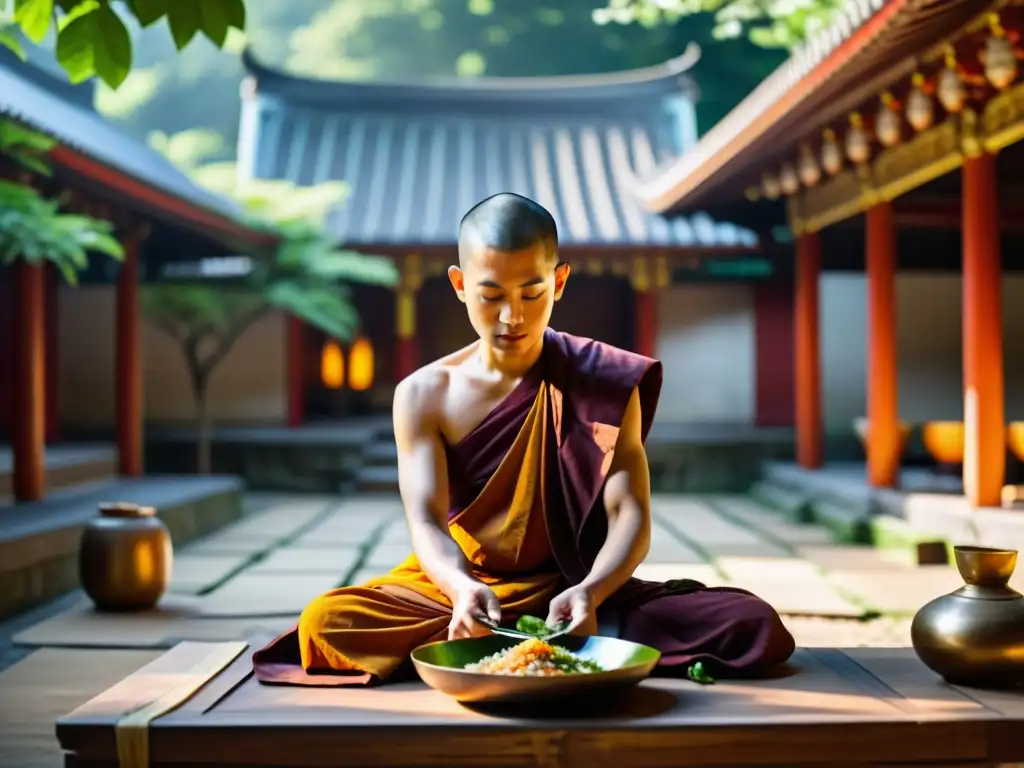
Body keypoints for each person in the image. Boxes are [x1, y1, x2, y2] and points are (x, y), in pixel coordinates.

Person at [253, 193, 795, 687]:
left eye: (532, 293)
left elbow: (630, 511)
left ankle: (506, 643)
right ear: (460, 285)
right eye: (490, 296)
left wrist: (593, 590)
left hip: (574, 588)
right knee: (327, 623)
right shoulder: (424, 394)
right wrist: (460, 587)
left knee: (750, 624)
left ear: (558, 282)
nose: (512, 316)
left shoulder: (603, 378)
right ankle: (532, 639)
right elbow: (424, 519)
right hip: (461, 590)